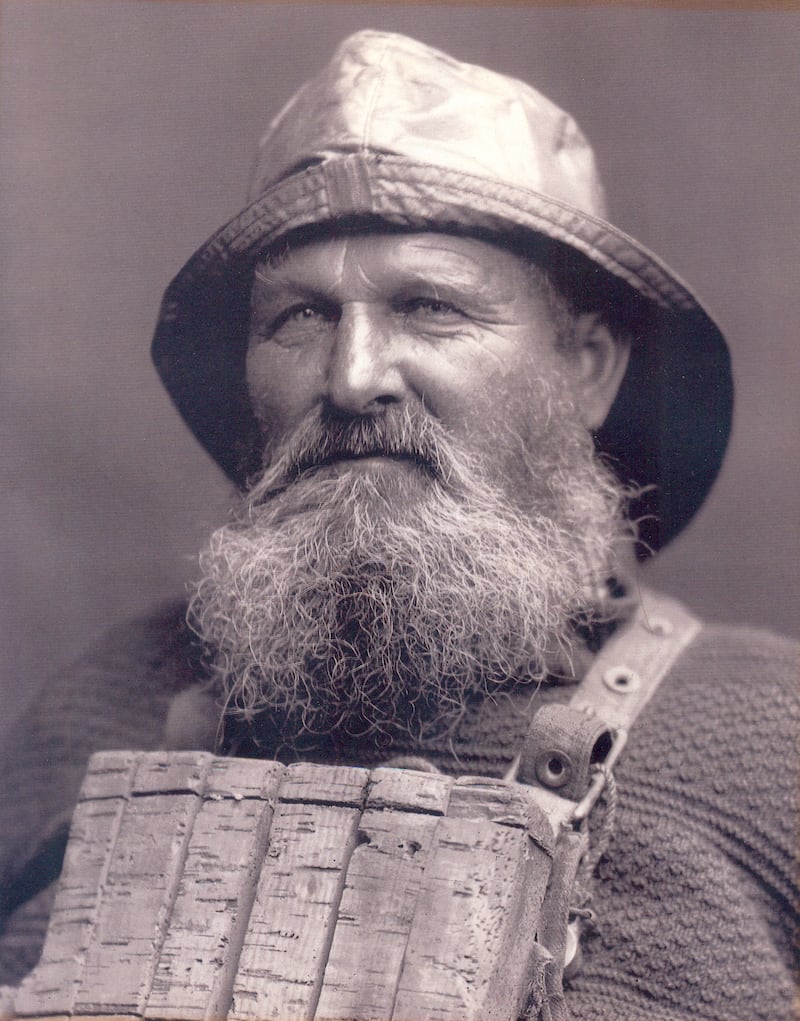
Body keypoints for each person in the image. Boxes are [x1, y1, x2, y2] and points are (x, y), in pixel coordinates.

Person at [0, 30, 796, 1020]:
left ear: (585, 365)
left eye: (428, 307)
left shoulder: (772, 744)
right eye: (300, 317)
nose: (350, 376)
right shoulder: (96, 709)